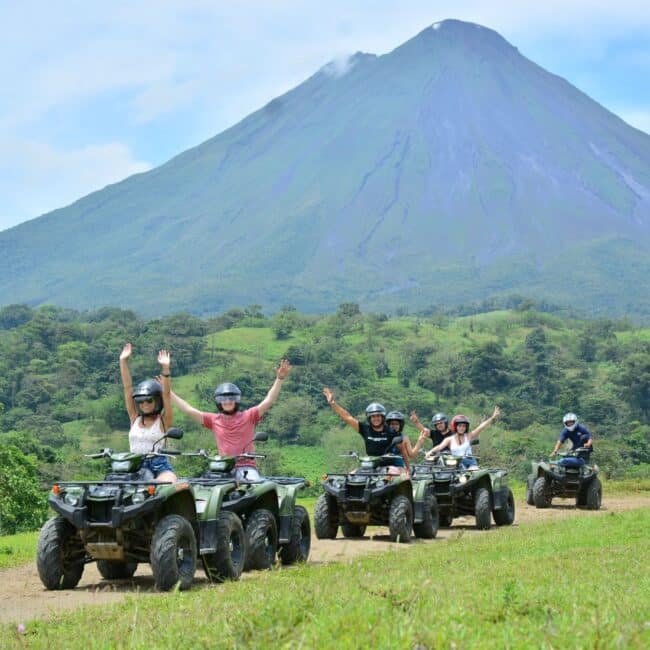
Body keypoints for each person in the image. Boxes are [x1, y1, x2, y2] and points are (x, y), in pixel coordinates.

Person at [171, 359, 292, 480]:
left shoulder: (249, 416)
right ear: (219, 402)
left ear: (237, 400)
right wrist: (169, 392)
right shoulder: (213, 420)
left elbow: (269, 401)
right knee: (206, 488)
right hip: (224, 467)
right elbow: (188, 410)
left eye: (231, 398)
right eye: (224, 399)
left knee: (252, 486)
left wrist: (279, 379)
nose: (228, 402)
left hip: (246, 466)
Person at [119, 343, 177, 482]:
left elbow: (167, 395)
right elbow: (127, 388)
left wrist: (165, 369)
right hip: (134, 465)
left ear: (157, 401)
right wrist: (123, 361)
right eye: (141, 401)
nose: (144, 404)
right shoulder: (135, 418)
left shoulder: (163, 421)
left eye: (149, 400)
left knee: (167, 483)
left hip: (159, 465)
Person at [322, 388, 410, 473]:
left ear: (382, 417)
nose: (376, 418)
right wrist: (333, 403)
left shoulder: (391, 431)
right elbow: (347, 417)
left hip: (388, 466)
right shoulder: (365, 428)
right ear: (369, 418)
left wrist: (408, 469)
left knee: (394, 473)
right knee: (351, 476)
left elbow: (403, 451)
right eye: (373, 416)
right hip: (370, 465)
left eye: (378, 416)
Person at [425, 407, 501, 469]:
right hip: (455, 463)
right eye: (460, 426)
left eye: (464, 426)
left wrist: (492, 417)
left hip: (469, 462)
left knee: (473, 473)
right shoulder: (449, 439)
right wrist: (430, 452)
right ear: (455, 427)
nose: (462, 428)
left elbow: (481, 427)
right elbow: (439, 447)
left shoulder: (469, 436)